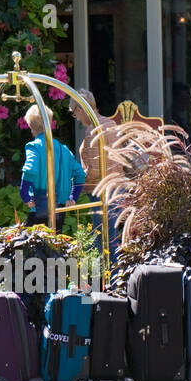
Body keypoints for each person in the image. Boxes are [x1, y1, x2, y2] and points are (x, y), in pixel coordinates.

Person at [70, 88, 120, 257]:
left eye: (74, 113)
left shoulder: (93, 131)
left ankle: (108, 281)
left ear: (80, 109)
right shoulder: (110, 124)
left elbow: (96, 171)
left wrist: (76, 185)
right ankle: (117, 278)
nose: (76, 117)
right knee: (113, 240)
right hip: (117, 188)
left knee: (103, 243)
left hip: (101, 192)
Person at [19, 104, 85, 227]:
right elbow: (80, 174)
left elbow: (30, 170)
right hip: (60, 209)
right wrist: (73, 197)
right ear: (50, 123)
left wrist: (24, 194)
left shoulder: (33, 147)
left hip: (41, 208)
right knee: (54, 243)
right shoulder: (63, 149)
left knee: (28, 242)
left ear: (30, 125)